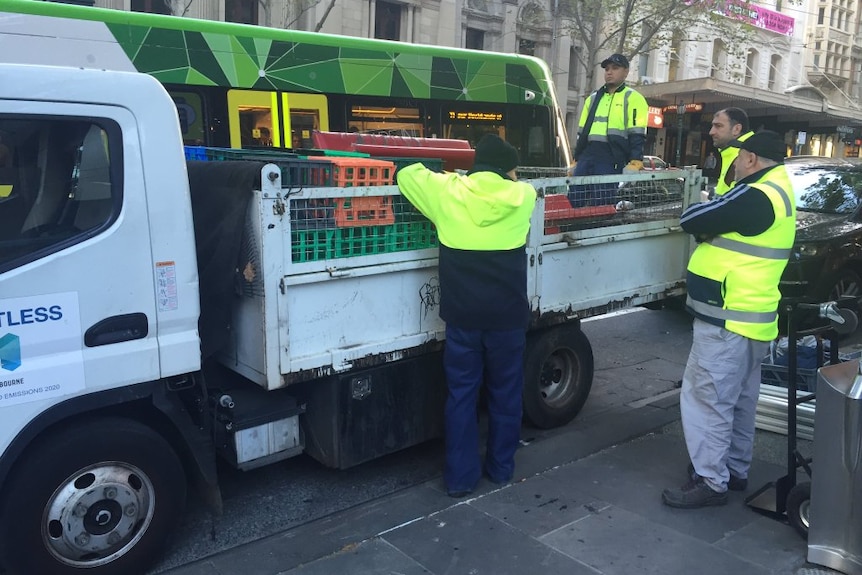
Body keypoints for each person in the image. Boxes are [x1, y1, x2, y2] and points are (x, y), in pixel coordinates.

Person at [396, 134, 536, 498]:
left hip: (462, 319)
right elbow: (522, 185)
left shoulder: (447, 192)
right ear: (510, 170)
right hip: (507, 320)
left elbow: (407, 172)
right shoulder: (524, 197)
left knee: (461, 396)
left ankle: (460, 479)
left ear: (476, 165)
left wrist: (445, 172)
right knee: (506, 394)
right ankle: (502, 469)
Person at [662, 130, 796, 509]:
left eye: (738, 158)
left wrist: (706, 223)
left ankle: (710, 480)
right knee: (739, 400)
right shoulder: (778, 187)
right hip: (753, 318)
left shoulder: (755, 194)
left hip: (727, 321)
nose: (733, 163)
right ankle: (734, 470)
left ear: (751, 158)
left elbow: (693, 217)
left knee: (708, 400)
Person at [568, 53, 648, 207]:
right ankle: (572, 228)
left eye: (615, 68)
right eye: (607, 69)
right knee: (575, 198)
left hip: (611, 156)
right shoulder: (592, 99)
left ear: (626, 72)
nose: (609, 72)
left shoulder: (633, 98)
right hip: (588, 154)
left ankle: (598, 228)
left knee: (602, 201)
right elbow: (582, 133)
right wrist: (576, 159)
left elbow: (637, 133)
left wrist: (636, 160)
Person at [708, 108, 754, 196]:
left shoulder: (743, 156)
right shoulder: (740, 151)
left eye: (718, 126)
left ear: (737, 129)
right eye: (712, 126)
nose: (711, 132)